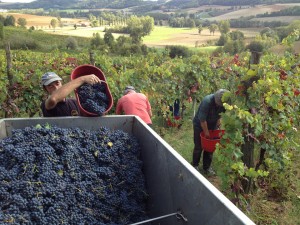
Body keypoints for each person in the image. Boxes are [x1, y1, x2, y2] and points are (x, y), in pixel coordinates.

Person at [192, 89, 229, 176]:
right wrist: (206, 133)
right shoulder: (207, 101)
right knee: (199, 146)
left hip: (212, 125)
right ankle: (195, 165)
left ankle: (207, 167)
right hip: (199, 125)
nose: (219, 105)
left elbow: (220, 115)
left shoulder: (224, 103)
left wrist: (218, 122)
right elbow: (202, 120)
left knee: (210, 147)